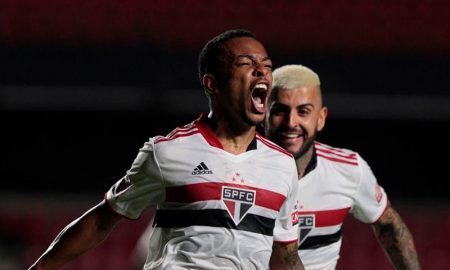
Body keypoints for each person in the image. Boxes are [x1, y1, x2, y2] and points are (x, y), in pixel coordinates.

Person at [28, 29, 304, 270]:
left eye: (267, 65)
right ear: (212, 83)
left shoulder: (281, 164)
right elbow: (103, 218)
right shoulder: (168, 152)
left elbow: (285, 254)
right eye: (246, 63)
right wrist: (42, 266)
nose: (262, 71)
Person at [265, 64, 421, 270]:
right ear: (263, 114)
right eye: (279, 110)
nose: (291, 122)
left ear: (320, 118)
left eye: (303, 111)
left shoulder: (348, 169)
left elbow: (388, 224)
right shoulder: (235, 168)